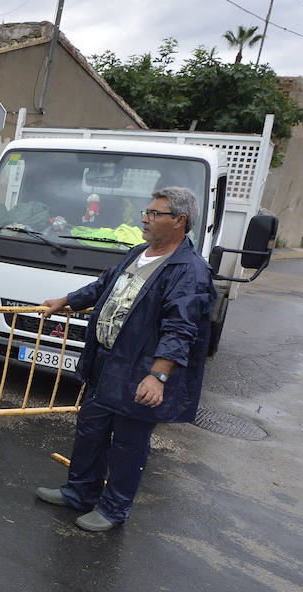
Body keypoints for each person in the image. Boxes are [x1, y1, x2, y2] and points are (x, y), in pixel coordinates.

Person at [35, 187, 215, 532]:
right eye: (145, 212)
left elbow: (181, 328)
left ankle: (114, 510)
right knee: (91, 431)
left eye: (154, 213)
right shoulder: (138, 253)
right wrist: (66, 300)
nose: (144, 219)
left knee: (128, 444)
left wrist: (158, 376)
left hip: (140, 372)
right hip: (106, 364)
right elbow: (103, 287)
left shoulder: (189, 271)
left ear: (180, 221)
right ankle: (80, 493)